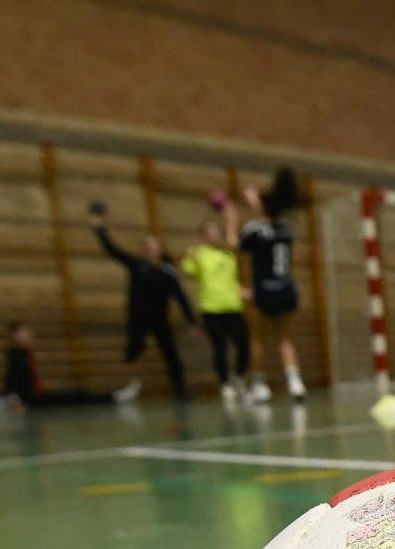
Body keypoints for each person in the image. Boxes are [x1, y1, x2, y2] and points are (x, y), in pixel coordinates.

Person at [90, 203, 194, 401]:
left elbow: (180, 297)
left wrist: (191, 322)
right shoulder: (136, 264)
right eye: (149, 247)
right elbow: (112, 249)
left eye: (156, 246)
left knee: (171, 353)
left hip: (159, 318)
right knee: (134, 349)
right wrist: (99, 227)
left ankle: (180, 388)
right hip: (138, 316)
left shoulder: (167, 272)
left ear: (160, 249)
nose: (152, 250)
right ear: (145, 249)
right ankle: (128, 384)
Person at [225, 168, 307, 403]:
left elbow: (233, 245)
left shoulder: (255, 230)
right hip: (287, 289)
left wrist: (232, 221)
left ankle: (260, 386)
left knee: (258, 339)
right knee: (284, 339)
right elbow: (271, 216)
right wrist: (257, 201)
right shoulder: (287, 229)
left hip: (265, 291)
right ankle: (295, 383)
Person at [181, 215, 250, 404]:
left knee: (243, 344)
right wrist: (193, 256)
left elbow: (230, 280)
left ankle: (238, 377)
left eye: (218, 232)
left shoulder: (228, 255)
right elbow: (188, 270)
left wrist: (240, 289)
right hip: (211, 308)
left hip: (233, 306)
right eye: (211, 232)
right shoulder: (198, 254)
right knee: (219, 347)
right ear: (204, 235)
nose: (216, 235)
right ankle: (224, 383)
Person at [0, 321, 133, 408]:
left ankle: (112, 397)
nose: (29, 334)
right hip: (32, 399)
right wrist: (16, 400)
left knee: (75, 395)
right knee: (75, 396)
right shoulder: (15, 354)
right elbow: (12, 378)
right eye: (25, 332)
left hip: (36, 396)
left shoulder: (23, 353)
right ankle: (113, 397)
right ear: (16, 335)